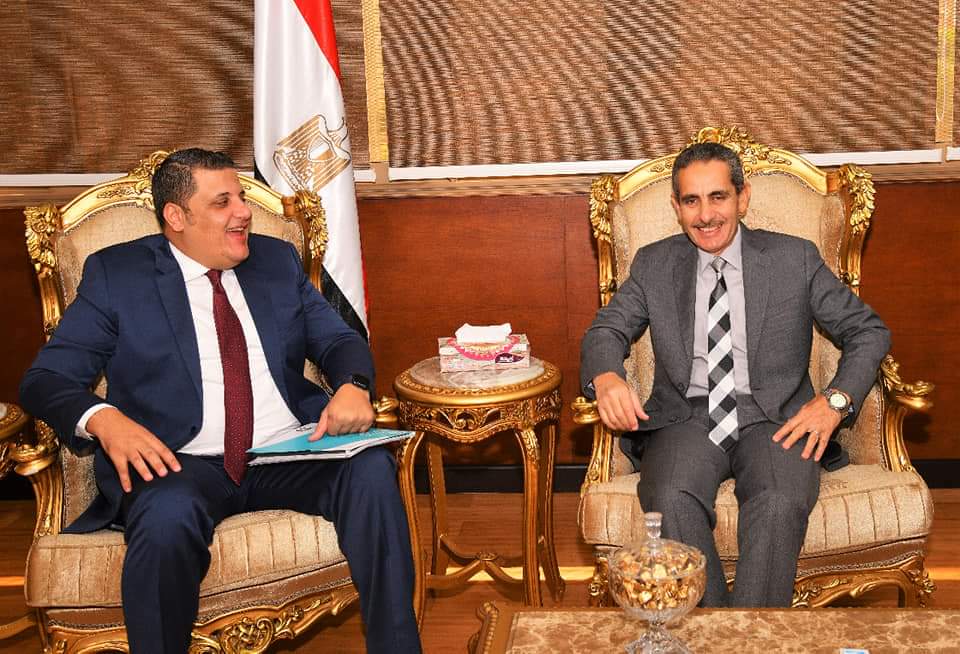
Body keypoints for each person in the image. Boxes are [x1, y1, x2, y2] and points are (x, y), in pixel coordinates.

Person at [20, 148, 421, 653]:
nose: (244, 212)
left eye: (242, 197)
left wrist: (353, 385)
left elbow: (338, 340)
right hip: (178, 461)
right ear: (176, 216)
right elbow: (45, 379)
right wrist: (103, 419)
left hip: (287, 451)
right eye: (222, 202)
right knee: (165, 519)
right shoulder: (118, 276)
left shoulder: (275, 261)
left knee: (371, 471)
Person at [580, 141, 890, 607]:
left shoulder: (794, 258)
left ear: (743, 198)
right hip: (686, 418)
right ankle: (713, 630)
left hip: (777, 419)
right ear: (676, 207)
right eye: (691, 200)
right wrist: (606, 376)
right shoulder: (654, 263)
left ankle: (750, 634)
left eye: (718, 197)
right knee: (668, 493)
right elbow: (606, 329)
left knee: (779, 501)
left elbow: (867, 330)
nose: (706, 215)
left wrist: (835, 401)